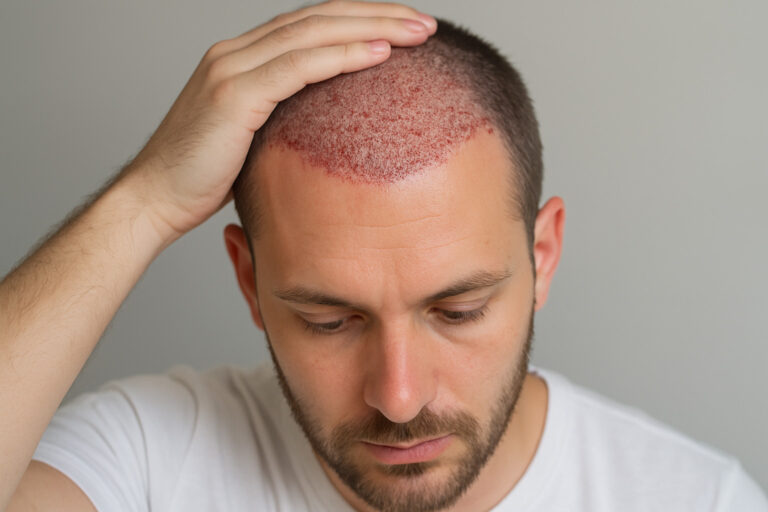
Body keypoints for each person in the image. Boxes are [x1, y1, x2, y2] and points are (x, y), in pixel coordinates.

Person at [1, 1, 766, 511]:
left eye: (458, 310)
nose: (398, 398)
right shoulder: (152, 457)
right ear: (248, 278)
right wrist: (145, 201)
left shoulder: (700, 500)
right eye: (331, 320)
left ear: (543, 255)